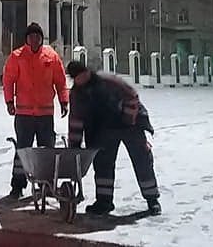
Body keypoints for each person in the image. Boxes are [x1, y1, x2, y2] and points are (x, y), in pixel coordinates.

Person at [66, 60, 162, 216]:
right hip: (103, 129)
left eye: (84, 74)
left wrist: (127, 119)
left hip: (130, 124)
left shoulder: (108, 81)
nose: (83, 78)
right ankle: (104, 202)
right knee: (102, 164)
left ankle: (152, 199)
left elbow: (132, 96)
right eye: (78, 77)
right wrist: (74, 146)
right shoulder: (77, 94)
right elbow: (76, 120)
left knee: (142, 159)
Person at [3, 22, 69, 199]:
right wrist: (9, 102)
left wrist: (64, 101)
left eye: (37, 36)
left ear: (41, 38)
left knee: (46, 152)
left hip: (45, 114)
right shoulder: (17, 56)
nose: (34, 40)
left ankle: (46, 185)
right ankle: (17, 186)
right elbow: (8, 80)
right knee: (22, 152)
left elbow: (61, 81)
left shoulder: (51, 56)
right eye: (31, 36)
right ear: (27, 39)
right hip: (24, 114)